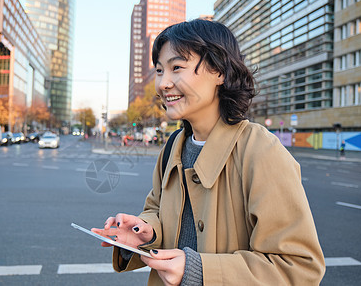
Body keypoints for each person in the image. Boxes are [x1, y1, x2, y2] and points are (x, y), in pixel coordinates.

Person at [92, 19, 325, 285]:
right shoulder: (172, 147)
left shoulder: (260, 150)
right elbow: (157, 210)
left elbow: (298, 267)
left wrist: (199, 271)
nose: (163, 84)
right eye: (159, 70)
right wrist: (145, 233)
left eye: (176, 67)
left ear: (219, 72)